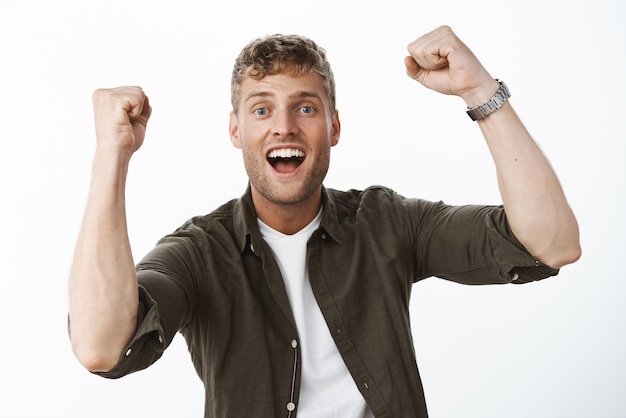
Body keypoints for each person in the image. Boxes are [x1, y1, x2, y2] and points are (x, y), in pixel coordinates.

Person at [68, 25, 581, 417]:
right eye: (262, 110)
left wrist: (480, 90)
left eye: (306, 108)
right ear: (236, 131)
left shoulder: (386, 222)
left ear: (333, 126)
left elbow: (549, 242)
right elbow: (100, 346)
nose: (284, 127)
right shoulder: (200, 252)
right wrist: (111, 156)